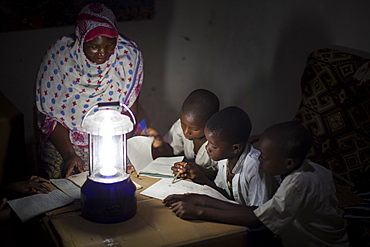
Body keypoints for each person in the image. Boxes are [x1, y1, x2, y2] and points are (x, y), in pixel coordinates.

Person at [163, 121, 349, 247]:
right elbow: (257, 210)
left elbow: (256, 218)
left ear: (288, 163)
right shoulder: (310, 169)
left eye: (265, 156)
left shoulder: (298, 184)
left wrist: (200, 210)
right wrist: (200, 199)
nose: (259, 159)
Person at [35, 3, 144, 178]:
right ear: (80, 41)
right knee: (64, 186)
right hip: (67, 142)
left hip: (114, 138)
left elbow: (130, 110)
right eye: (94, 46)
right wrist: (70, 155)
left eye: (110, 45)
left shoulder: (127, 57)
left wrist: (115, 149)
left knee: (128, 179)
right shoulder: (59, 58)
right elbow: (49, 116)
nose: (103, 53)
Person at [173, 106, 277, 206]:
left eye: (213, 146)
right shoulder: (224, 158)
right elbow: (224, 195)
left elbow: (257, 214)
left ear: (235, 148)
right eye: (207, 142)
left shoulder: (254, 166)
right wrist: (200, 177)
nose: (207, 148)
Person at [149, 89, 219, 172]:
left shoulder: (219, 142)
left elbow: (219, 177)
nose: (186, 132)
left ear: (210, 124)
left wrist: (196, 170)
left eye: (194, 129)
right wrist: (161, 145)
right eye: (183, 124)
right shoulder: (180, 125)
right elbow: (171, 152)